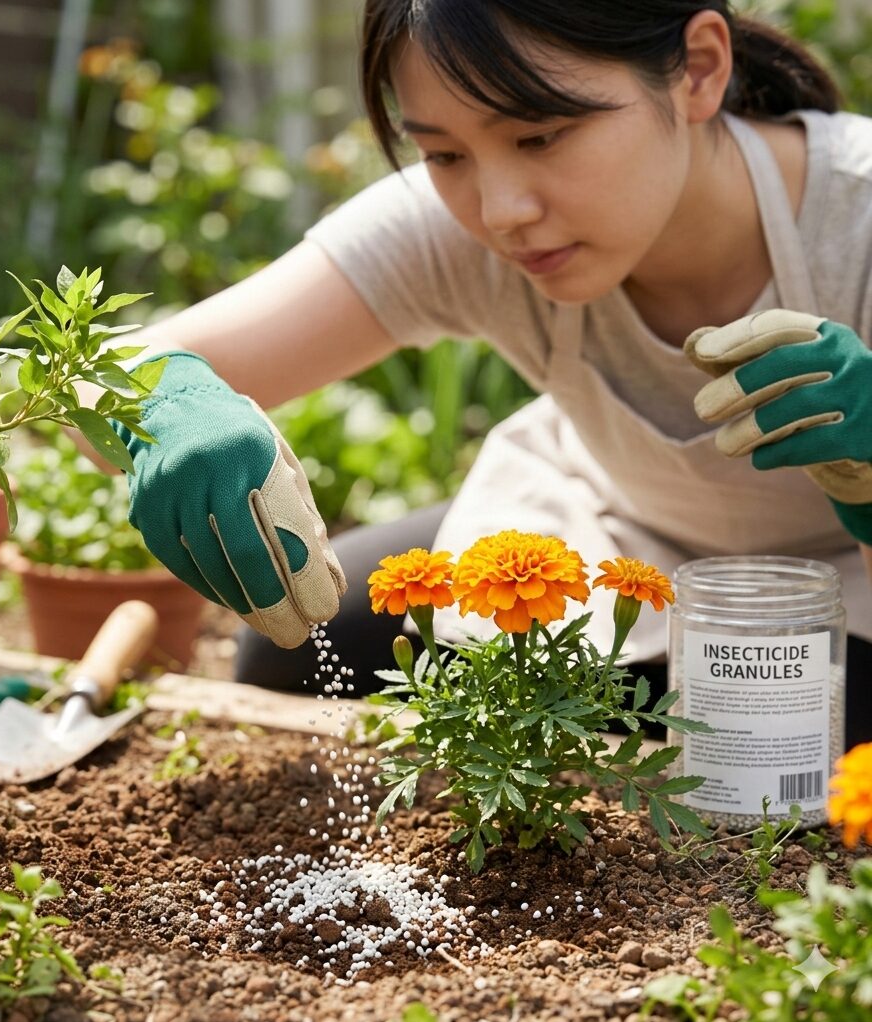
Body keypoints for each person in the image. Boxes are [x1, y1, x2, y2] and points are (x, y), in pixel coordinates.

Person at [111, 1, 872, 748]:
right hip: (616, 531)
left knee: (783, 743)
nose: (500, 209)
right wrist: (175, 406)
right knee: (306, 652)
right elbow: (110, 372)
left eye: (540, 135)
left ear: (698, 69)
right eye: (443, 154)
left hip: (848, 584)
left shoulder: (858, 211)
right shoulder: (453, 229)